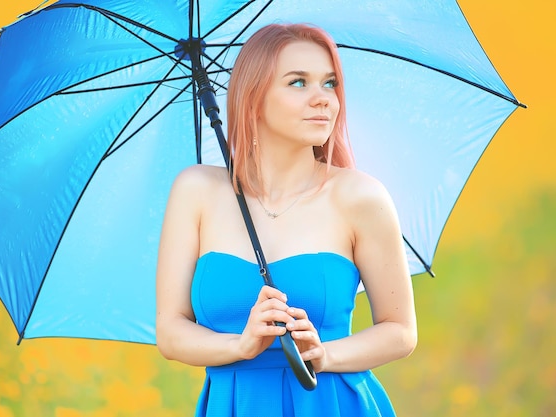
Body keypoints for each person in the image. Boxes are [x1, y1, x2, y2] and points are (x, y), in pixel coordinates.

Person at [156, 23, 417, 416]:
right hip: (237, 404)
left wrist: (324, 354)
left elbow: (400, 331)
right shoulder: (196, 191)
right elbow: (171, 332)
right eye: (299, 83)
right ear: (253, 99)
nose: (323, 99)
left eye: (330, 84)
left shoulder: (360, 197)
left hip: (329, 401)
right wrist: (240, 346)